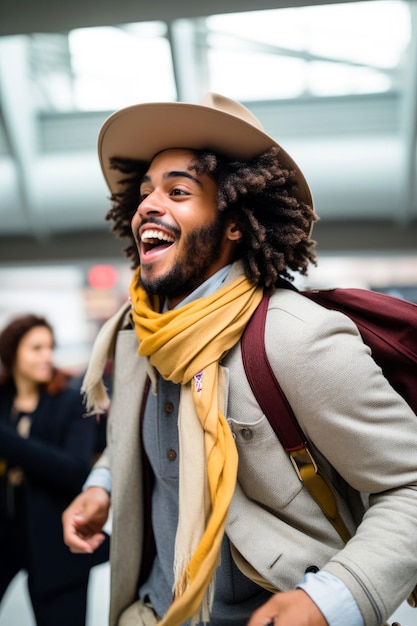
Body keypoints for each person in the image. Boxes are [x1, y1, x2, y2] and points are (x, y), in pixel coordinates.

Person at [61, 93, 417, 626]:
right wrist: (102, 485)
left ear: (234, 223)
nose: (147, 207)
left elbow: (409, 484)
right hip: (152, 612)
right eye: (145, 192)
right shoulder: (138, 333)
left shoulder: (298, 337)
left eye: (177, 191)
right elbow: (137, 438)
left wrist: (334, 599)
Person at [0, 313, 109, 626]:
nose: (47, 356)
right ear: (12, 353)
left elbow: (75, 470)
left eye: (50, 347)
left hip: (56, 545)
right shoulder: (3, 399)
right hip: (6, 537)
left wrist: (8, 442)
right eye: (36, 348)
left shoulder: (72, 401)